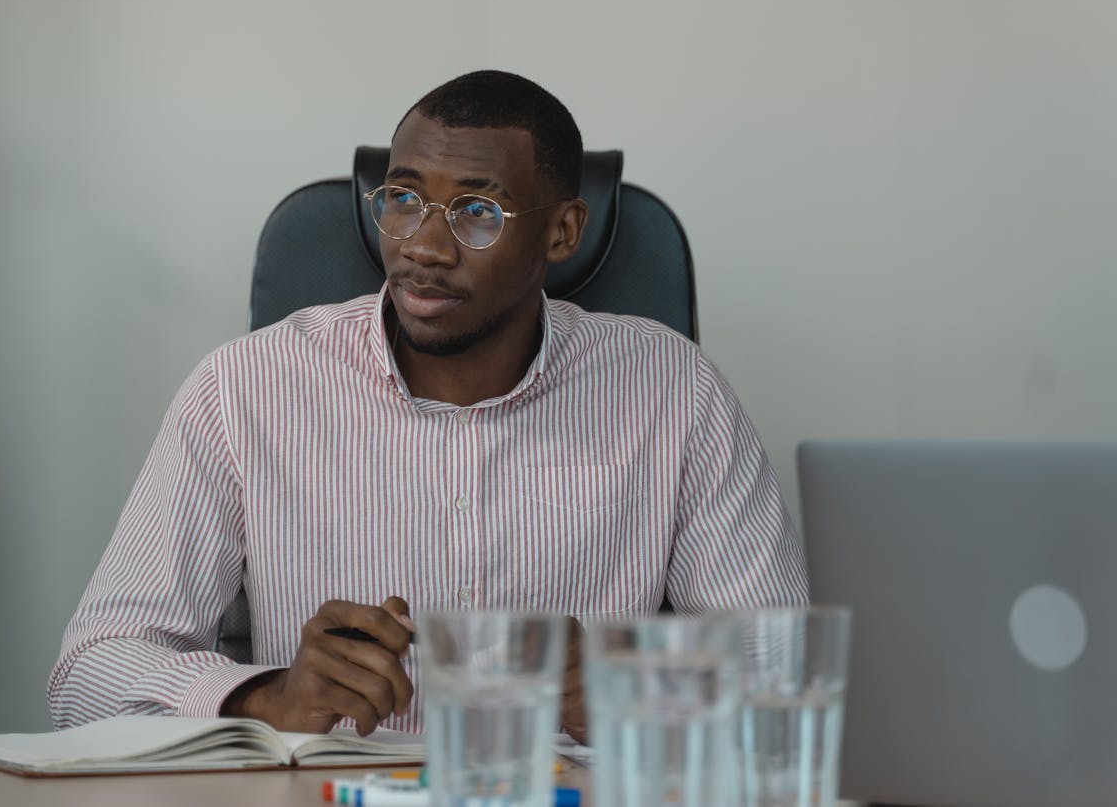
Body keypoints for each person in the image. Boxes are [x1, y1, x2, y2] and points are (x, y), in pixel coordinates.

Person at [48, 70, 807, 742]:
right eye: (404, 199)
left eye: (477, 211)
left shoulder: (677, 391)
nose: (423, 245)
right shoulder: (243, 389)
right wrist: (265, 695)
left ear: (563, 230)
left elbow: (787, 667)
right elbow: (87, 676)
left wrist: (630, 681)